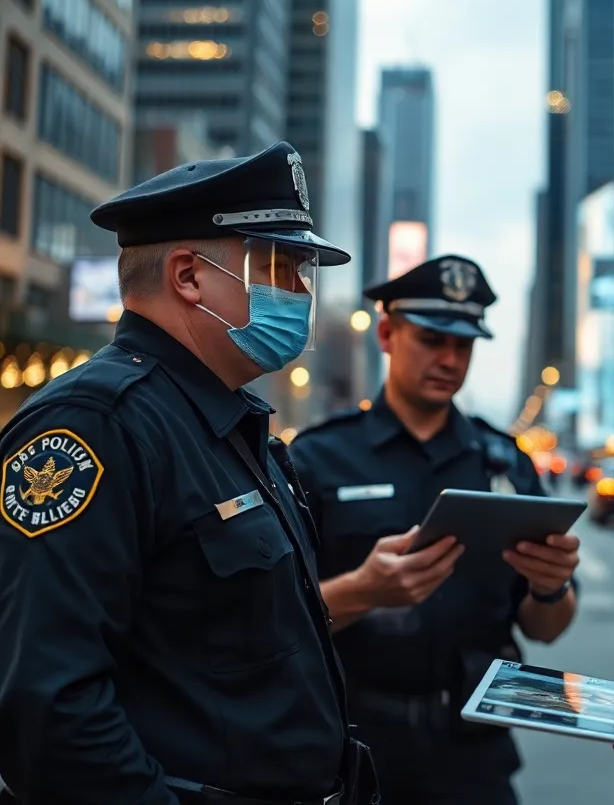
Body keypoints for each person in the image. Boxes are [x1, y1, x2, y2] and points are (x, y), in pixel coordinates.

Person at [0, 142, 377, 804]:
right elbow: (49, 706)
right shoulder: (96, 427)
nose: (301, 292)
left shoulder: (230, 427)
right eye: (280, 268)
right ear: (187, 275)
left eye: (303, 272)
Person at [289, 255, 581, 805]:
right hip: (350, 744)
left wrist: (552, 585)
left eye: (464, 346)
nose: (449, 359)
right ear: (386, 334)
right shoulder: (320, 458)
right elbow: (272, 619)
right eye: (431, 339)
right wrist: (362, 592)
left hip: (472, 753)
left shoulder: (505, 463)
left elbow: (546, 627)